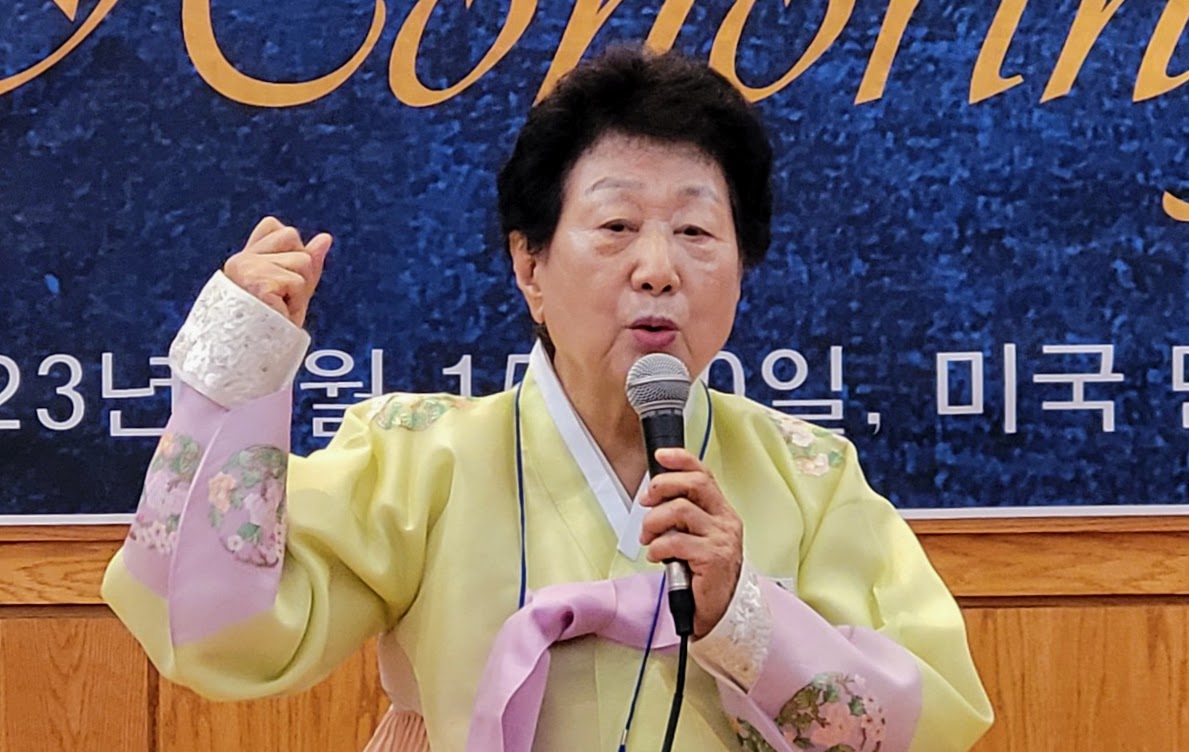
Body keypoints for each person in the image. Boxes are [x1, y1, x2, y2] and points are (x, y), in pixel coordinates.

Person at [102, 47, 993, 751]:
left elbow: (933, 720)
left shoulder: (811, 477)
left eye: (695, 230)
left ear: (740, 269)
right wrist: (236, 374)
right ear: (529, 265)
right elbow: (218, 633)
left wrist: (738, 613)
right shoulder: (418, 459)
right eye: (615, 226)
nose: (657, 268)